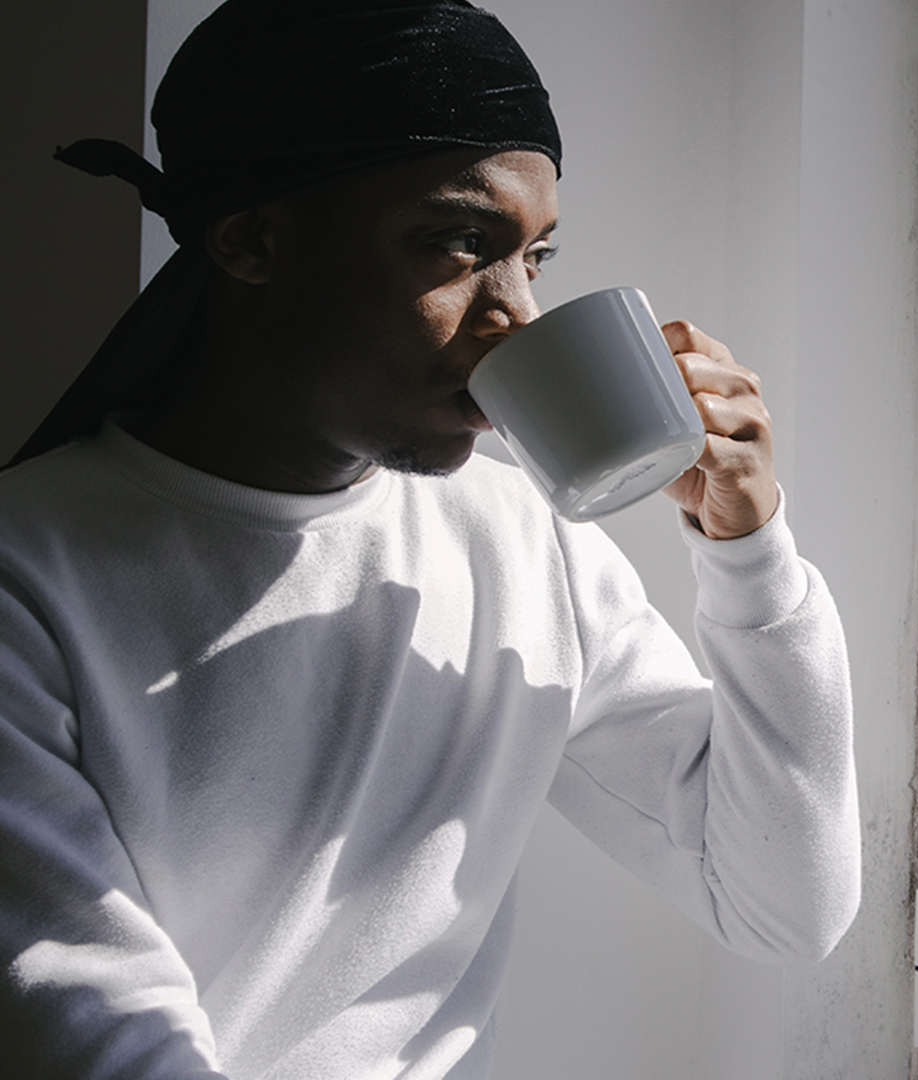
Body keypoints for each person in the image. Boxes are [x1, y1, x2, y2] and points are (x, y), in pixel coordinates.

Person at [0, 2, 859, 1077]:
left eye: (536, 257)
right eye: (459, 243)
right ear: (251, 237)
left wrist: (749, 555)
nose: (517, 318)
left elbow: (787, 906)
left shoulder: (523, 545)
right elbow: (93, 1033)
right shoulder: (28, 576)